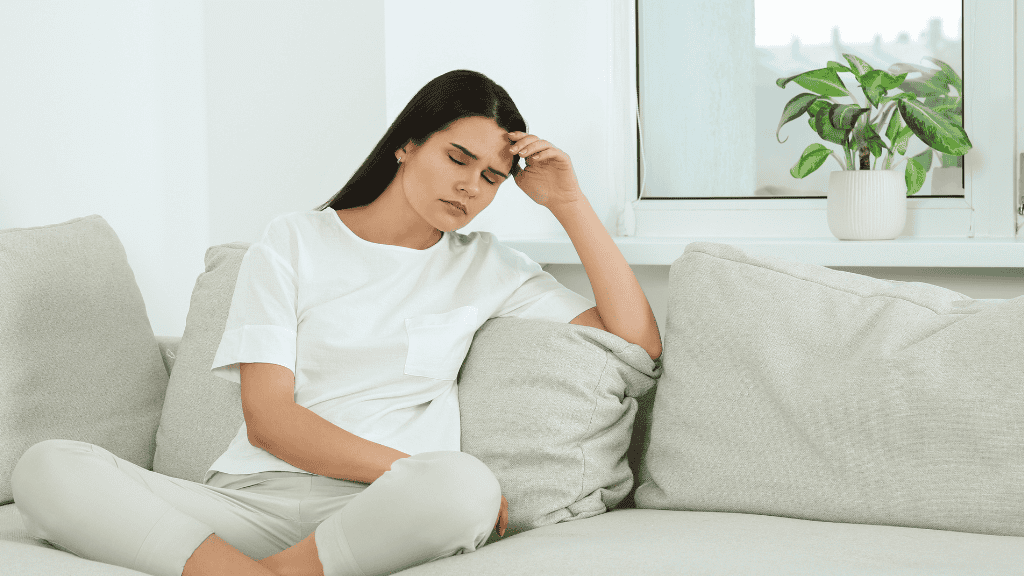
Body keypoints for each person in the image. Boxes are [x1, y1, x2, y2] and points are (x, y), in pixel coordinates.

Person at [11, 69, 661, 576]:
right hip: (248, 499)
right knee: (46, 466)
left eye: (491, 177)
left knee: (464, 485)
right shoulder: (293, 240)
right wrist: (406, 468)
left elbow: (635, 343)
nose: (470, 186)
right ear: (407, 143)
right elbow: (271, 418)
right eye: (457, 158)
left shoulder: (488, 266)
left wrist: (569, 203)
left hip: (379, 511)